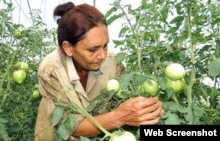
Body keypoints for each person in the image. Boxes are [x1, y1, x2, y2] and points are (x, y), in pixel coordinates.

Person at [34, 2, 164, 141]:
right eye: (92, 49)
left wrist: (146, 109)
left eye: (105, 46)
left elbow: (124, 101)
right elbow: (69, 127)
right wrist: (119, 117)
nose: (102, 55)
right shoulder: (51, 70)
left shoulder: (113, 62)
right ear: (68, 48)